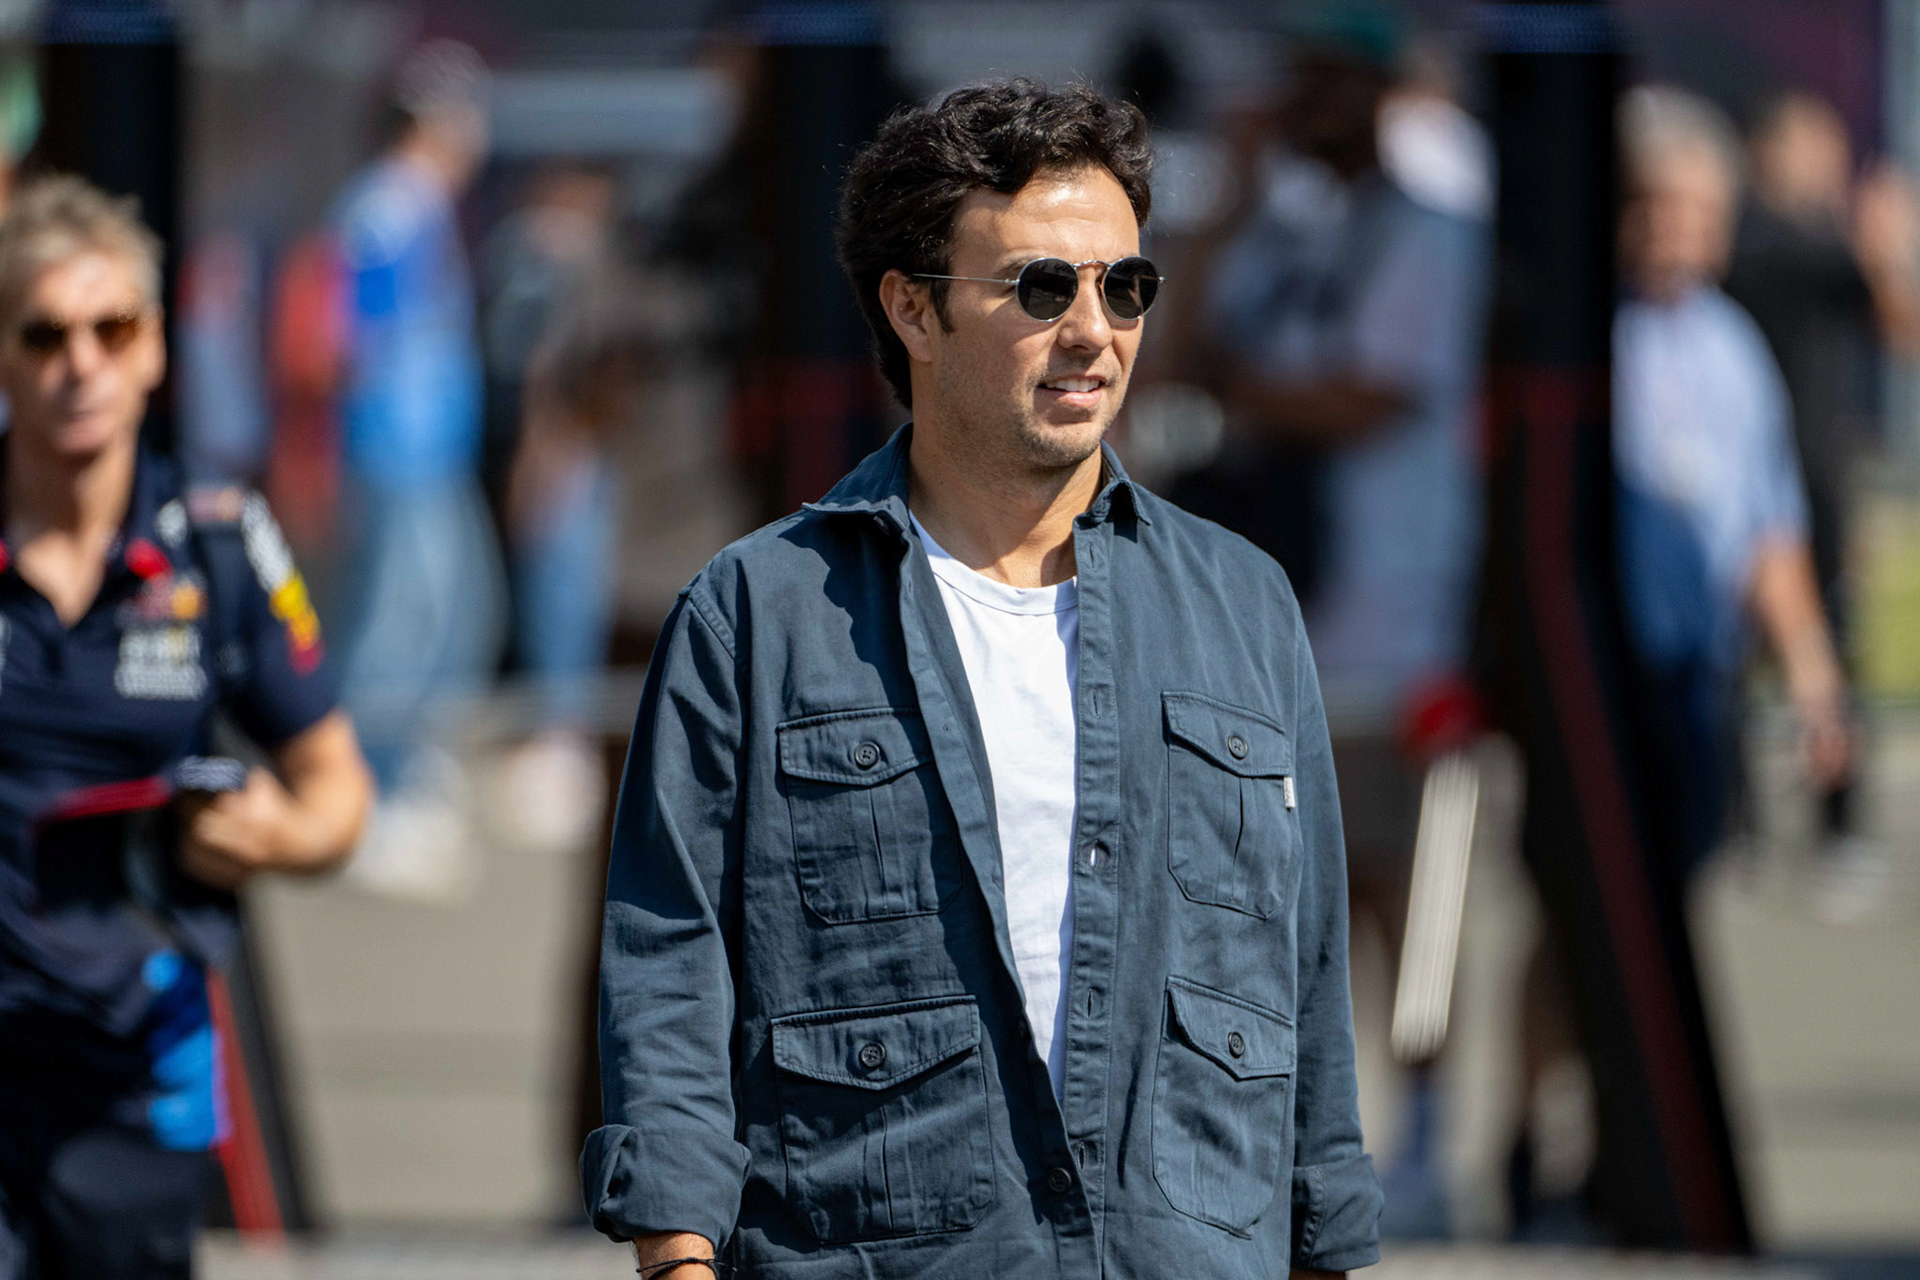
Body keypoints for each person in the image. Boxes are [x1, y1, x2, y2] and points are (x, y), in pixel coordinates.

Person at [584, 79, 1382, 1279]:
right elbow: (671, 964)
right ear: (913, 308)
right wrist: (679, 1260)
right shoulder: (757, 612)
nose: (1094, 329)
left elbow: (1308, 985)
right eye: (1041, 287)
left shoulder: (1243, 605)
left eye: (1126, 287)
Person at [0, 177, 371, 1277]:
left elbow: (338, 793)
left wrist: (269, 833)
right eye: (45, 332)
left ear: (156, 348)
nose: (82, 364)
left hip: (134, 1068)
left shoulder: (216, 539)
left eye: (112, 329)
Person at [1157, 16, 1490, 1238]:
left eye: (1330, 80)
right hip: (1278, 626)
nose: (1308, 101)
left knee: (1416, 892)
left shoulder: (1437, 236)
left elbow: (1365, 393)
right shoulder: (1282, 233)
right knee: (1278, 900)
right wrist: (1233, 196)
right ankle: (1295, 1138)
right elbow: (1172, 352)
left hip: (1404, 624)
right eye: (1297, 79)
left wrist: (1243, 391)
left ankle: (1431, 1134)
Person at [1614, 86, 1851, 872]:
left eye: (1700, 214)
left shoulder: (1732, 348)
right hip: (1602, 670)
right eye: (1655, 206)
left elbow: (1768, 527)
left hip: (1698, 678)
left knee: (1675, 898)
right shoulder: (1579, 336)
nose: (1676, 233)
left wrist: (1813, 675)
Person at [1722, 90, 1920, 912]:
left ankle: (1768, 827)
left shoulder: (1753, 242)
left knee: (1781, 655)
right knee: (1801, 650)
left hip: (1802, 477)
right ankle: (1811, 828)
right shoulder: (1779, 241)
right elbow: (1902, 318)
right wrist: (1885, 242)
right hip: (1781, 484)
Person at [327, 39, 504, 898]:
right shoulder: (387, 207)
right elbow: (359, 347)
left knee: (454, 608)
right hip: (401, 451)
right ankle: (366, 797)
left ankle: (406, 769)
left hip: (429, 449)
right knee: (400, 620)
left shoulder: (417, 204)